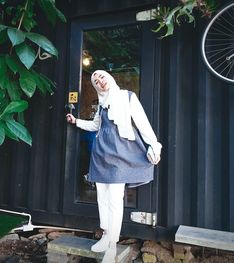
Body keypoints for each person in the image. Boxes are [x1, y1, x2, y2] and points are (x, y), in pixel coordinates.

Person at [66, 70, 162, 262]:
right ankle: (105, 235)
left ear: (110, 78)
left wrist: (155, 145)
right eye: (95, 81)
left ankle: (112, 245)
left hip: (121, 152)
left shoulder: (127, 97)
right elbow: (95, 126)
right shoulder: (101, 104)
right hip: (101, 153)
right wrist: (76, 121)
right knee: (101, 196)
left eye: (102, 77)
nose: (100, 81)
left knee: (115, 199)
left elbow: (143, 123)